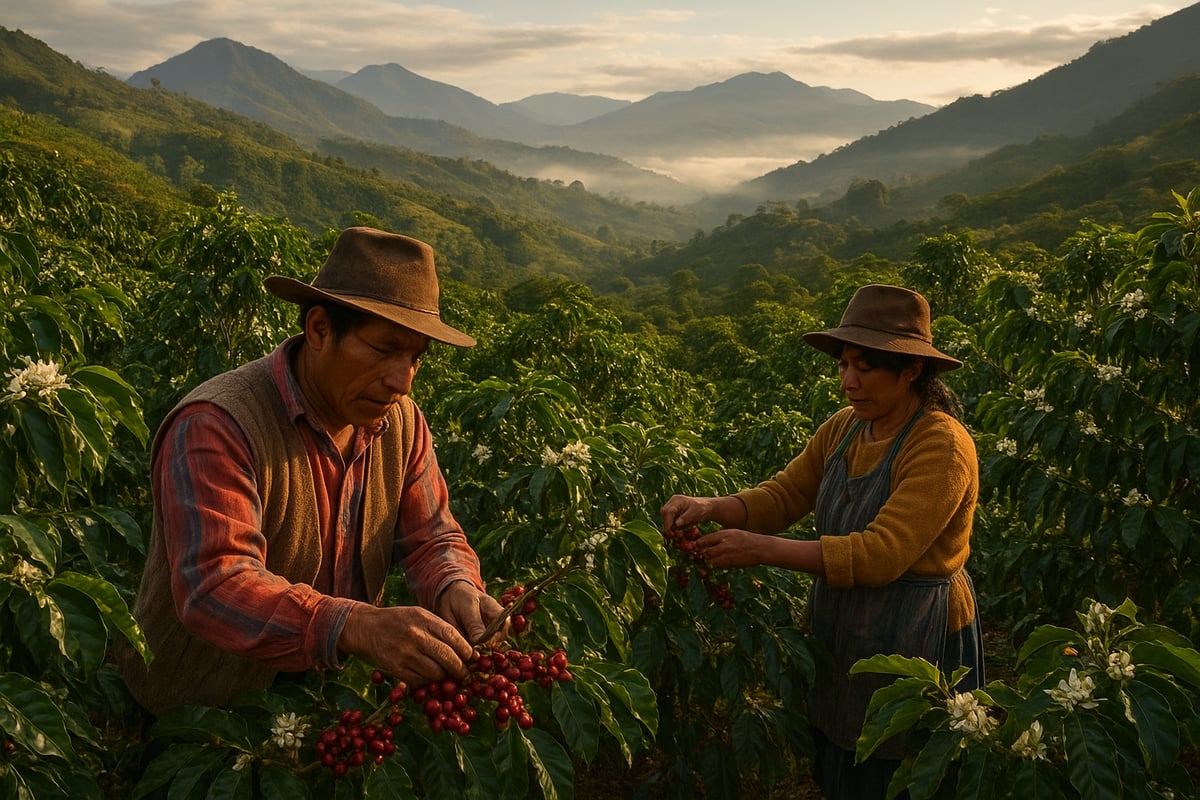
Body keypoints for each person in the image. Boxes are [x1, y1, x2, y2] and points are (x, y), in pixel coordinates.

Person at [120, 227, 504, 715]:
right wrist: (355, 626)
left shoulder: (401, 424)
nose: (402, 380)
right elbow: (217, 584)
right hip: (201, 713)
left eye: (416, 358)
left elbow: (432, 536)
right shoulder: (217, 427)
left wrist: (456, 586)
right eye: (386, 349)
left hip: (321, 703)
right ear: (320, 329)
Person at [660, 284, 983, 799]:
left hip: (916, 634)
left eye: (865, 368)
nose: (848, 382)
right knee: (840, 759)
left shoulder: (941, 444)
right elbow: (786, 494)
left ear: (912, 370)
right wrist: (711, 506)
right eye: (843, 365)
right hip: (843, 624)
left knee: (899, 771)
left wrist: (762, 550)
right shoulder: (846, 429)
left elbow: (879, 555)